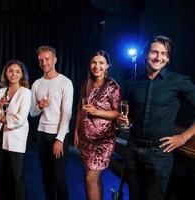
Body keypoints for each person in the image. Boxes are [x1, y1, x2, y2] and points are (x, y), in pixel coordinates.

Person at [117, 35, 195, 200]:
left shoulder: (179, 81)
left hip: (159, 153)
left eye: (164, 54)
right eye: (154, 52)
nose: (158, 57)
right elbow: (128, 117)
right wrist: (123, 121)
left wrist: (183, 137)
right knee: (134, 196)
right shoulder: (132, 83)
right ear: (145, 54)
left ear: (167, 59)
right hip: (133, 148)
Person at [73, 50, 121, 200]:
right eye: (94, 62)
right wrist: (76, 131)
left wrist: (97, 112)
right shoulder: (86, 83)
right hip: (85, 139)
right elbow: (80, 110)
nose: (97, 66)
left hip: (103, 141)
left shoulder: (113, 86)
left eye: (101, 63)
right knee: (93, 179)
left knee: (90, 179)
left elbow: (118, 113)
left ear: (107, 66)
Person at [30, 45, 74, 200]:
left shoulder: (65, 82)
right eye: (41, 60)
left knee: (58, 178)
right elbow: (32, 113)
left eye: (47, 59)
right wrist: (39, 106)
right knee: (46, 176)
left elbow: (67, 114)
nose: (44, 63)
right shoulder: (36, 84)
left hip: (58, 135)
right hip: (42, 134)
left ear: (54, 59)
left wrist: (59, 139)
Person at [0, 59, 31, 200]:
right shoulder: (2, 91)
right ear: (6, 73)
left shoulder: (25, 93)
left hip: (16, 139)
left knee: (16, 176)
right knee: (0, 176)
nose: (13, 74)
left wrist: (3, 118)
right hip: (1, 137)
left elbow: (20, 118)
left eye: (17, 71)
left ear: (22, 75)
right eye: (10, 71)